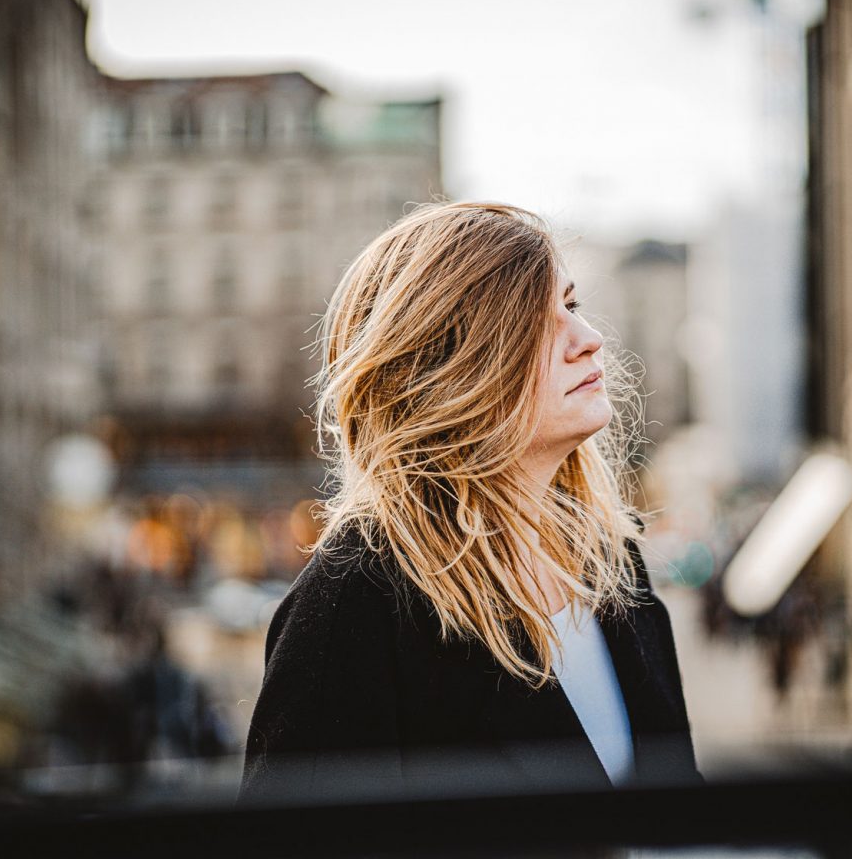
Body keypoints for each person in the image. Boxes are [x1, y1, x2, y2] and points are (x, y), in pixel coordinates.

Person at [239, 202, 702, 805]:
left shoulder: (611, 564)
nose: (589, 341)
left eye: (572, 306)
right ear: (450, 366)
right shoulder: (354, 606)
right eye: (537, 322)